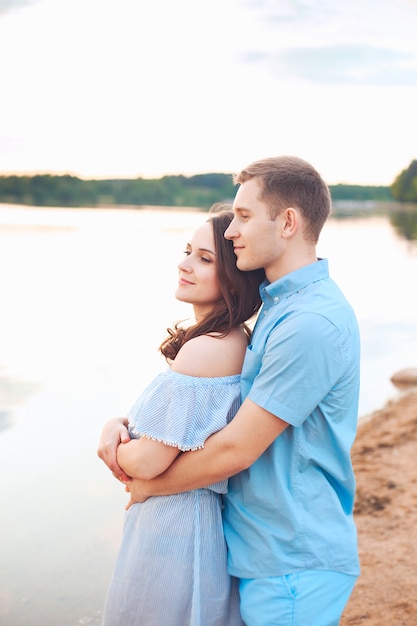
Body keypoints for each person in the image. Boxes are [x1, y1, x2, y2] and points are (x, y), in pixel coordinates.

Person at [98, 156, 361, 626]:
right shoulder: (279, 310)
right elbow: (207, 420)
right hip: (260, 549)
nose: (232, 231)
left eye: (243, 216)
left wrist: (146, 487)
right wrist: (124, 426)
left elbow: (237, 448)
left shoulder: (309, 324)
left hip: (291, 559)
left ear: (287, 222)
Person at [99, 205, 264, 626]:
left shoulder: (207, 347)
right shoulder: (232, 340)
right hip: (193, 517)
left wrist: (115, 442)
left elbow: (150, 461)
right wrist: (123, 426)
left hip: (173, 521)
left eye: (204, 259)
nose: (184, 264)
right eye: (188, 250)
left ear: (234, 276)